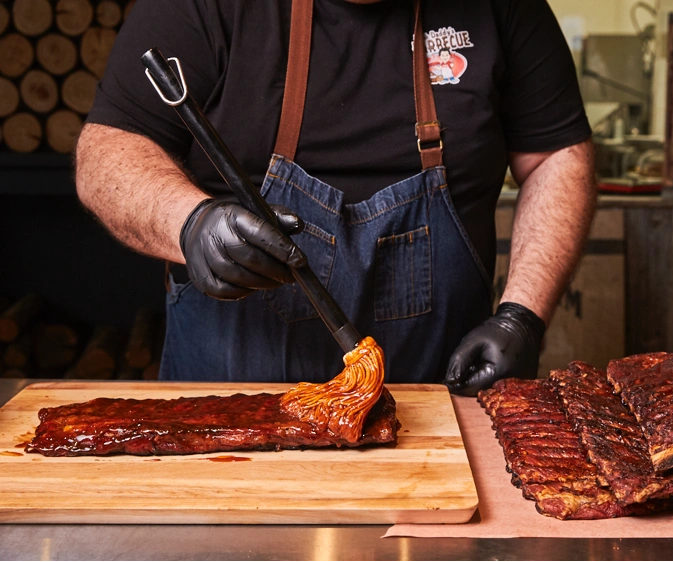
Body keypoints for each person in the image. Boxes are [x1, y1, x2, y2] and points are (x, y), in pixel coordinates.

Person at [75, 0, 596, 395]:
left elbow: (557, 156)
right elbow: (108, 152)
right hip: (229, 413)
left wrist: (522, 316)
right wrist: (188, 223)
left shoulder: (502, 9)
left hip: (438, 410)